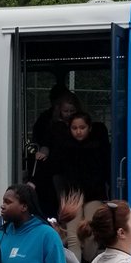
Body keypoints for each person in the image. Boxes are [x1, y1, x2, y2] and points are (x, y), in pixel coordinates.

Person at [53, 111, 109, 263]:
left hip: (92, 194)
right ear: (69, 129)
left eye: (82, 127)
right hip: (74, 196)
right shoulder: (64, 148)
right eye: (74, 128)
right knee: (73, 237)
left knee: (90, 233)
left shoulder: (98, 147)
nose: (78, 131)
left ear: (89, 128)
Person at [30, 89, 79, 217]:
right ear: (59, 111)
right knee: (61, 196)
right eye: (65, 111)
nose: (68, 114)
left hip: (75, 165)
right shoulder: (55, 126)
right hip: (58, 166)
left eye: (72, 111)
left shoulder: (79, 125)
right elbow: (47, 143)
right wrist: (43, 152)